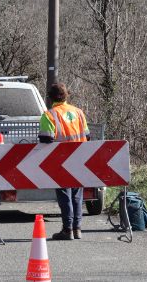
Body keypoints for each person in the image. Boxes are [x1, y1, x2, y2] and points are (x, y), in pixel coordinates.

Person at [39, 83, 90, 241]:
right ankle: (77, 228)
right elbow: (87, 136)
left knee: (64, 195)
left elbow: (46, 138)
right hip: (80, 158)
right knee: (77, 195)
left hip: (60, 160)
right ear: (67, 95)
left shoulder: (49, 115)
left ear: (50, 97)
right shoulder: (79, 112)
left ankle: (67, 229)